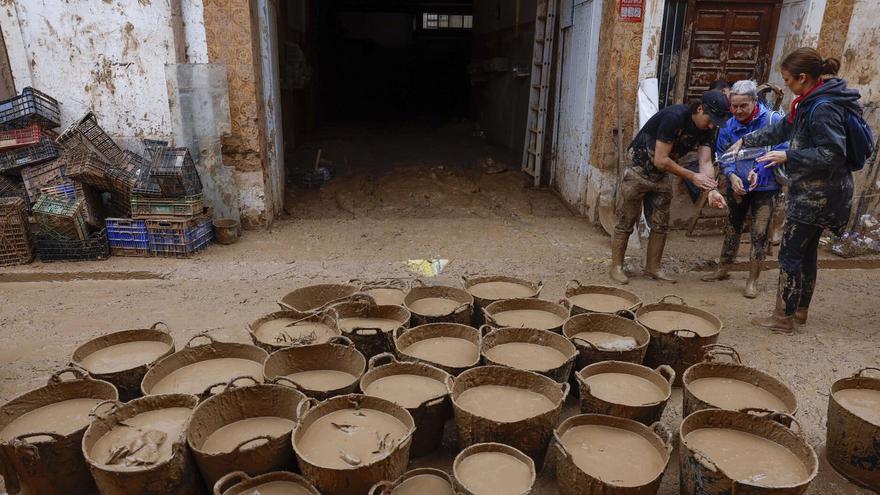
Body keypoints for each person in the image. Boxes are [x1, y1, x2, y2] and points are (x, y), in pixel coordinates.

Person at [728, 47, 863, 332]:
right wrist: (747, 140)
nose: (786, 84)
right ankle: (799, 311)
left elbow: (832, 154)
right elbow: (782, 131)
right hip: (817, 190)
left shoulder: (823, 107)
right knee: (807, 252)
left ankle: (782, 318)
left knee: (790, 254)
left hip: (819, 195)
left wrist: (789, 156)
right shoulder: (809, 101)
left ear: (803, 77)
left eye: (788, 79)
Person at [610, 91, 732, 284]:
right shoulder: (674, 117)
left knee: (661, 222)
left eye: (715, 122)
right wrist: (692, 176)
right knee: (627, 219)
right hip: (639, 168)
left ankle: (652, 268)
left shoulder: (708, 128)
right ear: (700, 108)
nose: (711, 125)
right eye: (710, 119)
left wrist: (711, 190)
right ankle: (616, 266)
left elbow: (706, 162)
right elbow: (660, 159)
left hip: (662, 174)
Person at [702, 80, 788, 298]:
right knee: (732, 226)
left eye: (744, 106)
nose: (738, 111)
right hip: (738, 186)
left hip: (766, 188)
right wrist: (731, 176)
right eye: (735, 106)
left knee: (759, 233)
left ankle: (752, 280)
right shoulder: (728, 125)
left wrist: (759, 170)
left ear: (755, 102)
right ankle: (723, 268)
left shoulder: (773, 121)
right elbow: (723, 155)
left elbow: (783, 149)